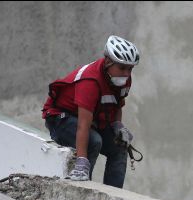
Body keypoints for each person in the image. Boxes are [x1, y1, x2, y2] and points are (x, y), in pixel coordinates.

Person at [42, 35, 140, 188]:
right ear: (108, 61)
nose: (127, 73)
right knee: (93, 141)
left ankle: (113, 197)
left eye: (130, 68)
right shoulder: (90, 81)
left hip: (91, 120)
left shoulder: (124, 79)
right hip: (61, 119)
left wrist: (118, 126)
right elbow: (83, 125)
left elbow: (117, 105)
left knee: (120, 145)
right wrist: (81, 161)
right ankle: (84, 189)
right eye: (122, 67)